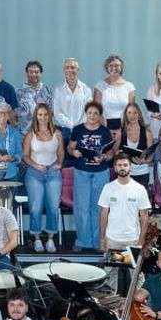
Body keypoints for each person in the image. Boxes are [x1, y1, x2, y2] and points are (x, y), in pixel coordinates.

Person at [65, 101, 115, 253]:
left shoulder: (105, 131)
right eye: (90, 113)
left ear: (100, 116)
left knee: (98, 208)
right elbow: (70, 147)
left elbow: (111, 152)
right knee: (81, 207)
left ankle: (97, 241)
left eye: (95, 113)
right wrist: (74, 152)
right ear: (86, 114)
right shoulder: (78, 130)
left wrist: (105, 156)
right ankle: (83, 240)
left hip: (101, 173)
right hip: (82, 172)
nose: (92, 116)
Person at [98, 154, 153, 256]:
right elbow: (103, 214)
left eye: (125, 165)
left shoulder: (139, 189)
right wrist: (102, 239)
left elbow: (145, 217)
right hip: (112, 239)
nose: (122, 167)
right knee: (111, 272)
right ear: (115, 168)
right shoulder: (108, 188)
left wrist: (141, 241)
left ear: (130, 167)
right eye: (119, 165)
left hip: (133, 239)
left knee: (134, 272)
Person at [116, 100, 155, 190]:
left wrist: (144, 161)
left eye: (134, 112)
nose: (132, 115)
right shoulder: (121, 132)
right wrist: (119, 153)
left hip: (143, 173)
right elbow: (115, 152)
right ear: (126, 115)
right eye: (129, 112)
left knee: (141, 202)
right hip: (125, 173)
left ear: (139, 114)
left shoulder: (147, 132)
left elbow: (151, 155)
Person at [51, 58, 93, 134]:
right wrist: (71, 125)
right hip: (64, 130)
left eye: (73, 67)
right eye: (67, 67)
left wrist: (79, 127)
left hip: (83, 129)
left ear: (78, 69)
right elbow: (57, 112)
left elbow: (89, 111)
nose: (70, 70)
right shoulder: (58, 90)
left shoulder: (86, 89)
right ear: (64, 70)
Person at [95, 54, 136, 129]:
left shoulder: (130, 87)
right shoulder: (99, 86)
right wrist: (104, 128)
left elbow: (131, 110)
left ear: (121, 67)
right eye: (111, 65)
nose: (114, 68)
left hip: (124, 127)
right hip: (104, 126)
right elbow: (97, 110)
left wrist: (125, 127)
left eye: (117, 65)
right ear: (107, 67)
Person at [13, 59, 51, 128]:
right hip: (24, 133)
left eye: (36, 72)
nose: (34, 74)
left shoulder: (47, 91)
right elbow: (13, 114)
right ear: (26, 73)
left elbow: (52, 112)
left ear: (41, 73)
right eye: (31, 72)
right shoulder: (18, 92)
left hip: (44, 133)